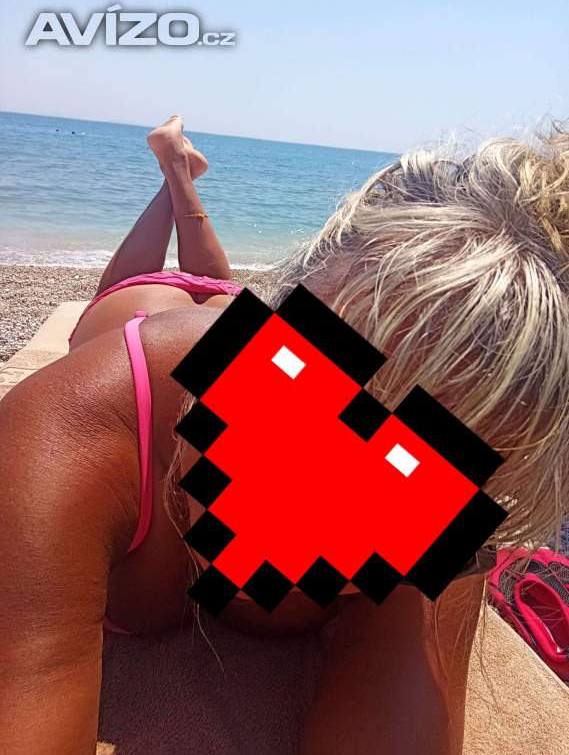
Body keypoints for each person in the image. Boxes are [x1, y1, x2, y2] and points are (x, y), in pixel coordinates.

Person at [1, 116, 568, 755]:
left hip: (230, 315)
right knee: (143, 282)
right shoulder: (84, 426)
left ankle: (181, 177)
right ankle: (174, 177)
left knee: (221, 292)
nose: (328, 522)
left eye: (409, 497)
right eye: (304, 425)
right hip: (137, 315)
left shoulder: (456, 495)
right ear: (264, 347)